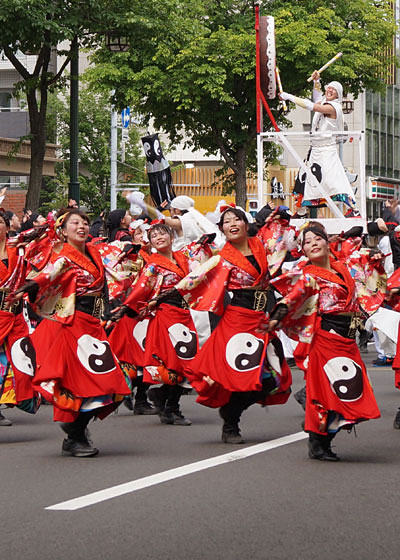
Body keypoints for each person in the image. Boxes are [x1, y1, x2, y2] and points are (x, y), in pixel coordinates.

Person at [13, 209, 131, 457]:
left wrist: (110, 311)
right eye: (75, 223)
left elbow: (109, 283)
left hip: (93, 324)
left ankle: (75, 428)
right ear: (63, 230)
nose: (82, 226)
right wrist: (34, 284)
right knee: (81, 382)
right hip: (72, 324)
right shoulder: (62, 255)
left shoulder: (96, 252)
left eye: (85, 222)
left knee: (114, 383)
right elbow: (52, 272)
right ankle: (75, 435)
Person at [270, 224, 383, 461]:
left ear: (326, 242)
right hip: (325, 337)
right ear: (302, 250)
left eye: (317, 238)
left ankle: (320, 435)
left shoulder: (344, 268)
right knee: (331, 394)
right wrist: (276, 317)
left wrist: (375, 260)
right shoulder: (309, 275)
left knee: (352, 390)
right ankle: (318, 441)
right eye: (307, 241)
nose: (313, 243)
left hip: (347, 339)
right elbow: (293, 297)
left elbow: (367, 281)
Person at [179, 207, 293, 443]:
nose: (232, 223)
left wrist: (281, 219)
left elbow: (285, 246)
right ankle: (231, 422)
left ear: (245, 223)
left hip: (262, 318)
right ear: (221, 228)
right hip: (238, 321)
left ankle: (231, 412)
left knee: (275, 378)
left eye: (236, 219)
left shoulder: (261, 245)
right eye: (226, 221)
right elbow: (193, 279)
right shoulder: (221, 258)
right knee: (241, 376)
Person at [121, 222, 215, 426]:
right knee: (175, 363)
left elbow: (200, 269)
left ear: (172, 237)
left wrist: (205, 245)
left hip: (184, 314)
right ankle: (170, 407)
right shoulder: (152, 265)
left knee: (188, 362)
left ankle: (165, 399)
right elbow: (141, 289)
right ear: (151, 242)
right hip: (165, 315)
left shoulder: (183, 258)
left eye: (163, 233)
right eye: (154, 236)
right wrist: (127, 308)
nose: (159, 237)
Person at [280, 71, 359, 215]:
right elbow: (317, 99)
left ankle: (352, 208)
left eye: (333, 90)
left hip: (326, 149)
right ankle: (301, 209)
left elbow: (313, 106)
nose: (329, 90)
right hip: (315, 149)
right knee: (303, 178)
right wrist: (317, 81)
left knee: (333, 181)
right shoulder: (324, 102)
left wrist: (289, 97)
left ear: (338, 95)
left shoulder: (333, 108)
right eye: (329, 87)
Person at [0, 211, 40, 426]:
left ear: (7, 227)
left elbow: (29, 276)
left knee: (20, 360)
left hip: (15, 315)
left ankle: (17, 398)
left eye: (0, 222)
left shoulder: (18, 251)